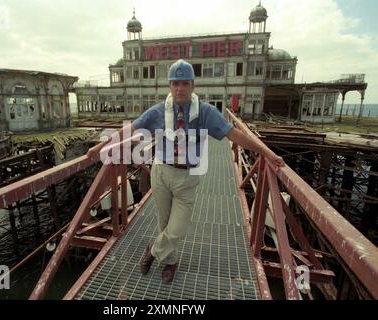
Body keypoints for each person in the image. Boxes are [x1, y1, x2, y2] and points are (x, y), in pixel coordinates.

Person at [87, 59, 285, 284]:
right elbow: (129, 129)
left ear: (192, 85)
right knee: (164, 224)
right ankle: (171, 262)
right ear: (170, 86)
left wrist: (266, 152)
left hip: (188, 177)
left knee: (177, 229)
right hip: (161, 173)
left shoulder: (205, 112)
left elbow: (235, 134)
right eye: (175, 83)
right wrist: (100, 146)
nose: (179, 88)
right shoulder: (159, 111)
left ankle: (152, 250)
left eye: (184, 83)